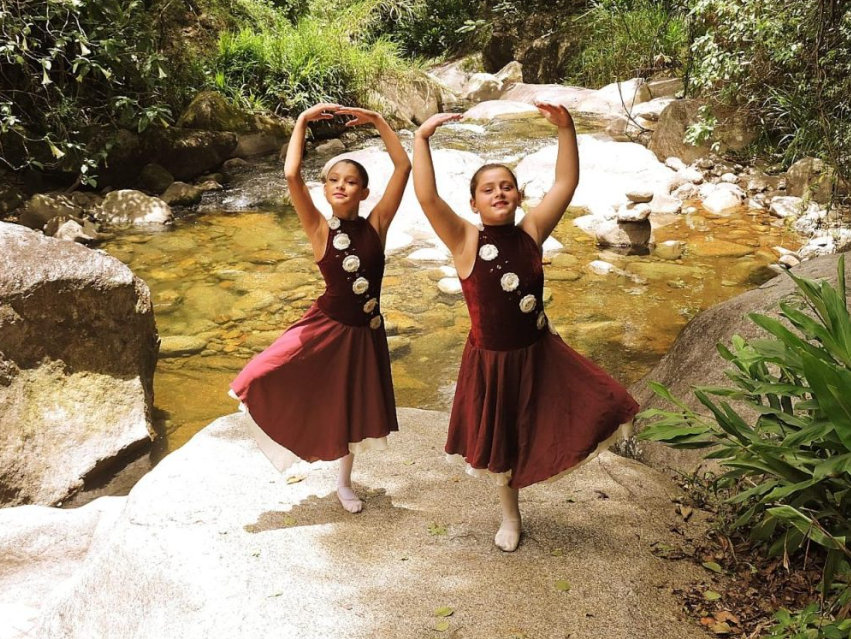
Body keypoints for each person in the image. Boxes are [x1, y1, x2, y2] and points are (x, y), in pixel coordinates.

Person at [412, 104, 639, 551]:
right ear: (473, 203)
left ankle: (550, 465)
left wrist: (566, 128)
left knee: (609, 400)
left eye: (507, 186)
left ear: (518, 196)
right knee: (505, 441)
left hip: (540, 350)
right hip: (494, 362)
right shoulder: (465, 240)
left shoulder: (532, 231)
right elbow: (426, 198)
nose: (499, 193)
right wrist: (421, 139)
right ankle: (510, 516)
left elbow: (566, 183)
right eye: (488, 189)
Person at [229, 103, 411, 513]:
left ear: (364, 192)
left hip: (365, 334)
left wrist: (379, 122)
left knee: (351, 407)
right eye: (333, 180)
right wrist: (301, 122)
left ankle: (344, 483)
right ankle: (265, 408)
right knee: (260, 372)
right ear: (325, 189)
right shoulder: (319, 228)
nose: (341, 186)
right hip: (326, 326)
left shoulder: (377, 226)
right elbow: (292, 175)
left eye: (351, 181)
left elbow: (403, 168)